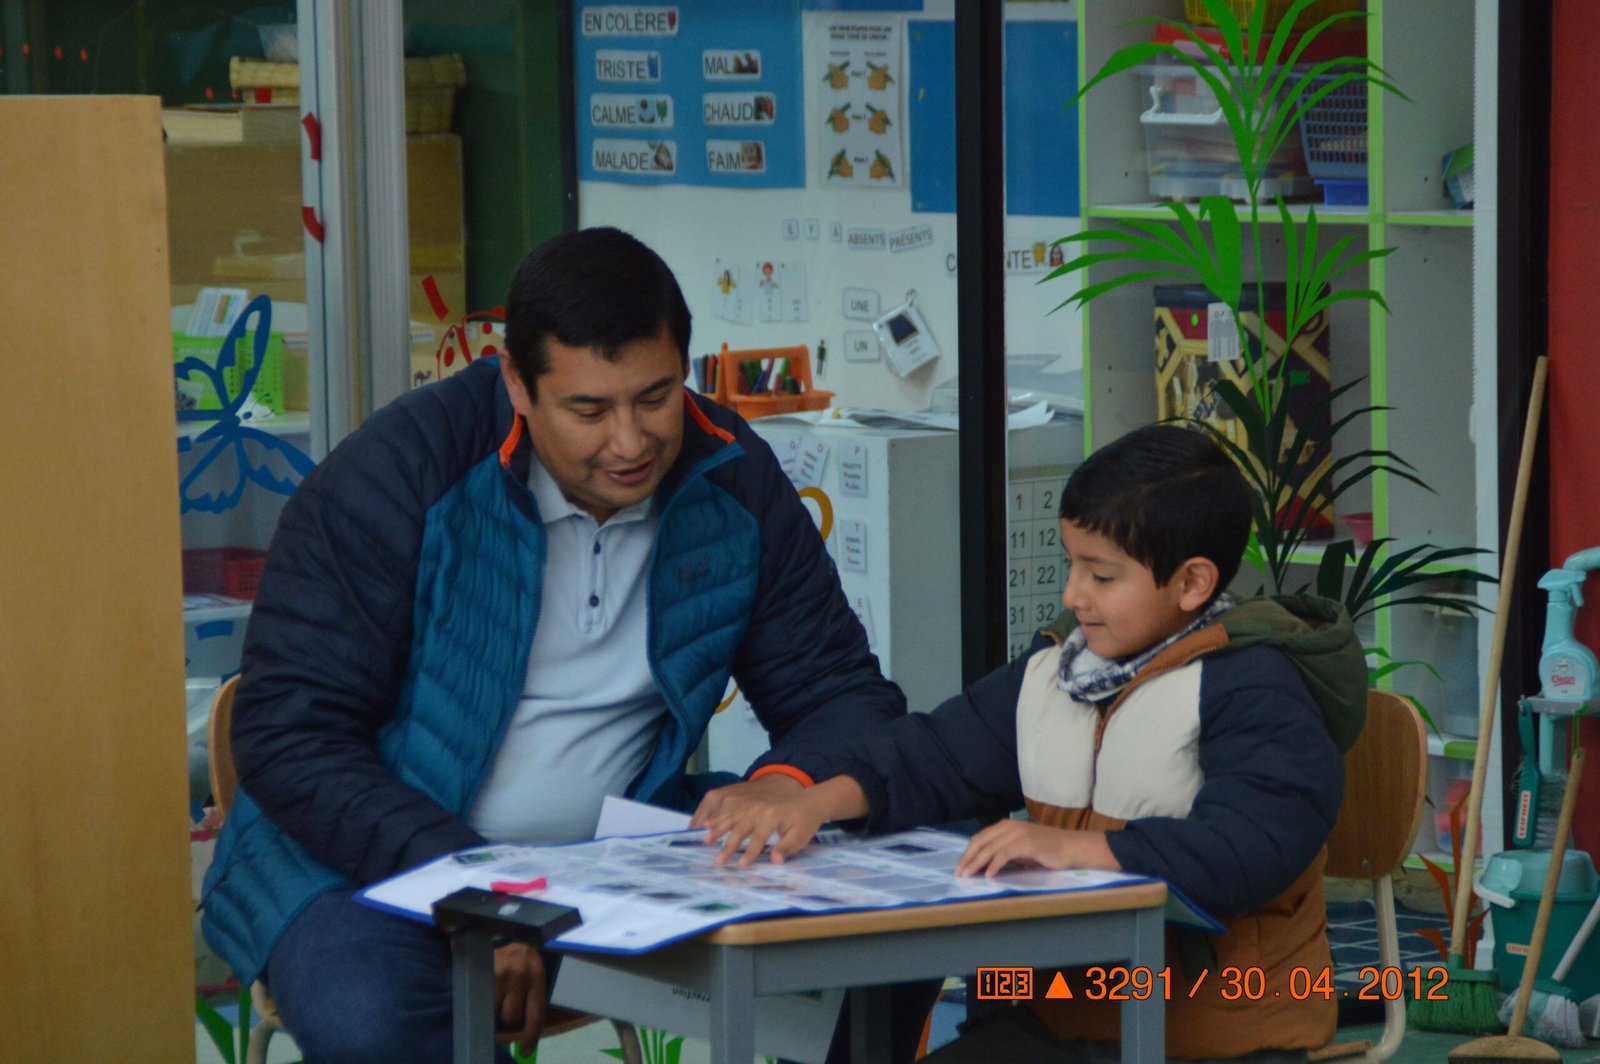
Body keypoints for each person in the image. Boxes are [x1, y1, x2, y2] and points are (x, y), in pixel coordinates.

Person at [201, 227, 908, 1063]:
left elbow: (843, 695)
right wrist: (482, 891)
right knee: (372, 1019)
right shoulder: (395, 475)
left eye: (655, 397)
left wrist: (787, 786)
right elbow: (288, 735)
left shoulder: (728, 472)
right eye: (589, 411)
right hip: (373, 866)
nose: (630, 443)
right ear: (517, 385)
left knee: (900, 889)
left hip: (617, 860)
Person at [695, 423, 1368, 1063]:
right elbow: (938, 753)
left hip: (1220, 1034)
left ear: (1192, 582)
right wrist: (812, 801)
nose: (1074, 595)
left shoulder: (1259, 686)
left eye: (1102, 576)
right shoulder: (1060, 668)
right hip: (1061, 1020)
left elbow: (1248, 847)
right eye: (1071, 565)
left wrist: (1074, 850)